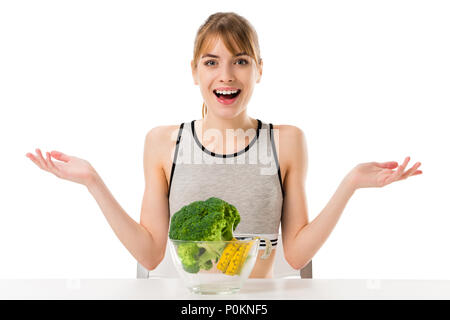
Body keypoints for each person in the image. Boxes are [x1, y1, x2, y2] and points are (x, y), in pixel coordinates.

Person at [25, 12, 422, 278]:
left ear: (260, 69)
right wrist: (93, 180)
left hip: (256, 303)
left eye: (241, 61)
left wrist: (350, 182)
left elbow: (297, 255)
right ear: (195, 71)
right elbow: (149, 254)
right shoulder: (164, 142)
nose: (226, 75)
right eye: (212, 62)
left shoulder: (286, 141)